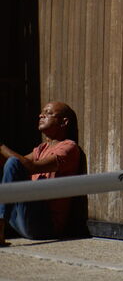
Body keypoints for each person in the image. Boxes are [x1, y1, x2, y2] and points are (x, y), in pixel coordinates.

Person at [0, 102, 82, 245]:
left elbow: (30, 167)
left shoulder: (69, 147)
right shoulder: (41, 149)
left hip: (45, 226)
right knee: (10, 164)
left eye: (48, 113)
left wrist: (1, 146)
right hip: (23, 220)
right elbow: (13, 168)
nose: (41, 115)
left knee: (13, 162)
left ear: (64, 122)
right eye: (42, 112)